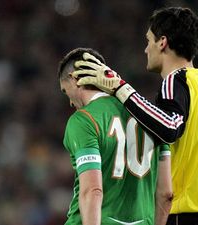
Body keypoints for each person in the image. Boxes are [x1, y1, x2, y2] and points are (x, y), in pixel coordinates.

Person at [72, 7, 198, 225]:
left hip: (185, 215)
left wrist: (120, 88)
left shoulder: (178, 80)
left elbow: (169, 126)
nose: (146, 49)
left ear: (162, 42)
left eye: (148, 40)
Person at [58, 47, 173, 225]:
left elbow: (92, 191)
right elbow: (166, 194)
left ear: (74, 79)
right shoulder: (151, 117)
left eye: (66, 92)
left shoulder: (84, 120)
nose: (71, 102)